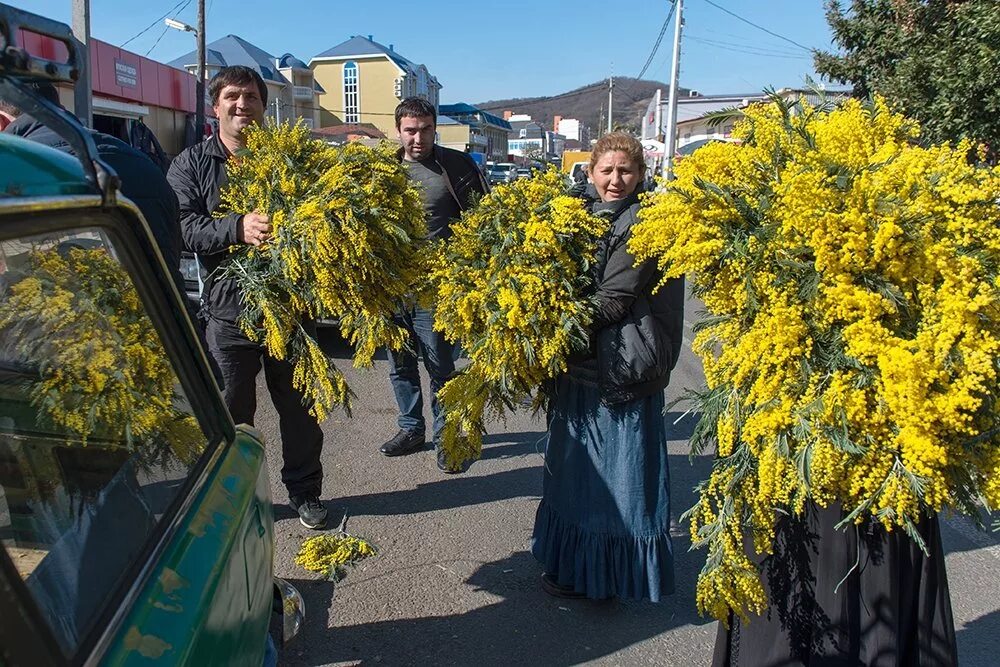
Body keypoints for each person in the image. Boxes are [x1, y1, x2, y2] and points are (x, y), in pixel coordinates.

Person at [166, 65, 327, 529]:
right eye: (232, 97)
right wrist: (237, 227)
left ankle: (305, 492)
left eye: (251, 97)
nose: (243, 105)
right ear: (216, 106)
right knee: (232, 414)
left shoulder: (290, 160)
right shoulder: (192, 164)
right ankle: (234, 498)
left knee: (300, 411)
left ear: (263, 104)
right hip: (229, 313)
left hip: (291, 308)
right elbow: (181, 227)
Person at [530, 132, 684, 601]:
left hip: (620, 372)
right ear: (591, 171)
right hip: (580, 369)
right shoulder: (578, 215)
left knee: (615, 484)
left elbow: (613, 300)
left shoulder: (646, 224)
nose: (616, 180)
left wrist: (546, 325)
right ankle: (571, 568)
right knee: (575, 477)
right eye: (607, 170)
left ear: (640, 175)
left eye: (626, 171)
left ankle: (605, 580)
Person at [381, 97, 488, 472]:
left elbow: (481, 220)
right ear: (398, 131)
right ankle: (411, 429)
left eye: (426, 129)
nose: (418, 137)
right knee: (400, 364)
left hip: (436, 289)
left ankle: (448, 438)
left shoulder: (455, 166)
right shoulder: (383, 171)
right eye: (410, 130)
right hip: (393, 288)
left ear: (434, 128)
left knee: (440, 365)